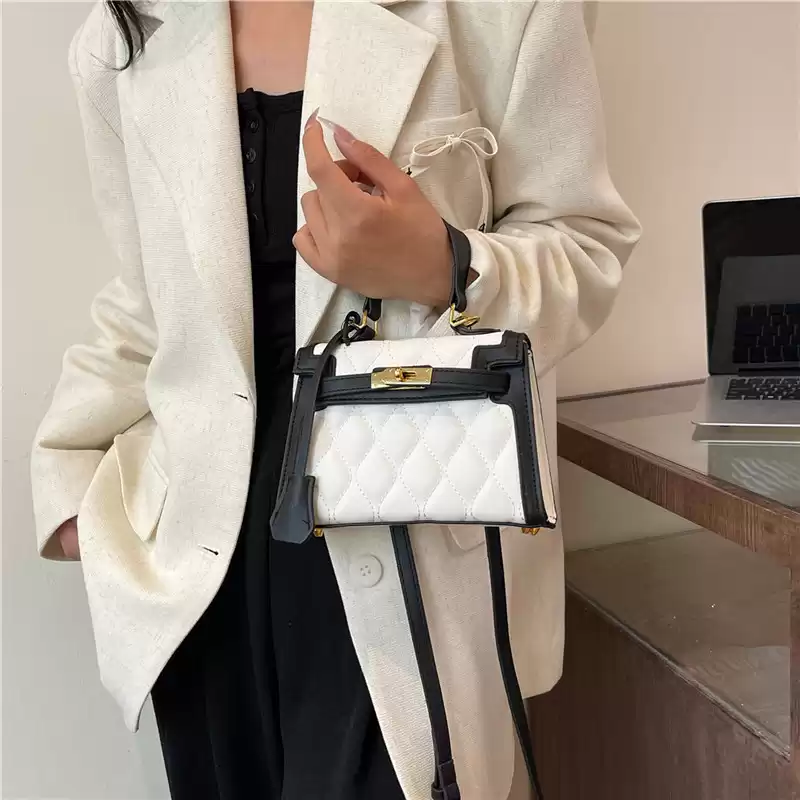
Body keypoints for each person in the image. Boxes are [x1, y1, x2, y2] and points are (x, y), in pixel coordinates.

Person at [30, 1, 640, 798]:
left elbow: (585, 245)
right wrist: (71, 476)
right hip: (201, 571)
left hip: (411, 547)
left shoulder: (501, 11)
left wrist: (446, 265)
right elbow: (149, 303)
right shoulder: (125, 35)